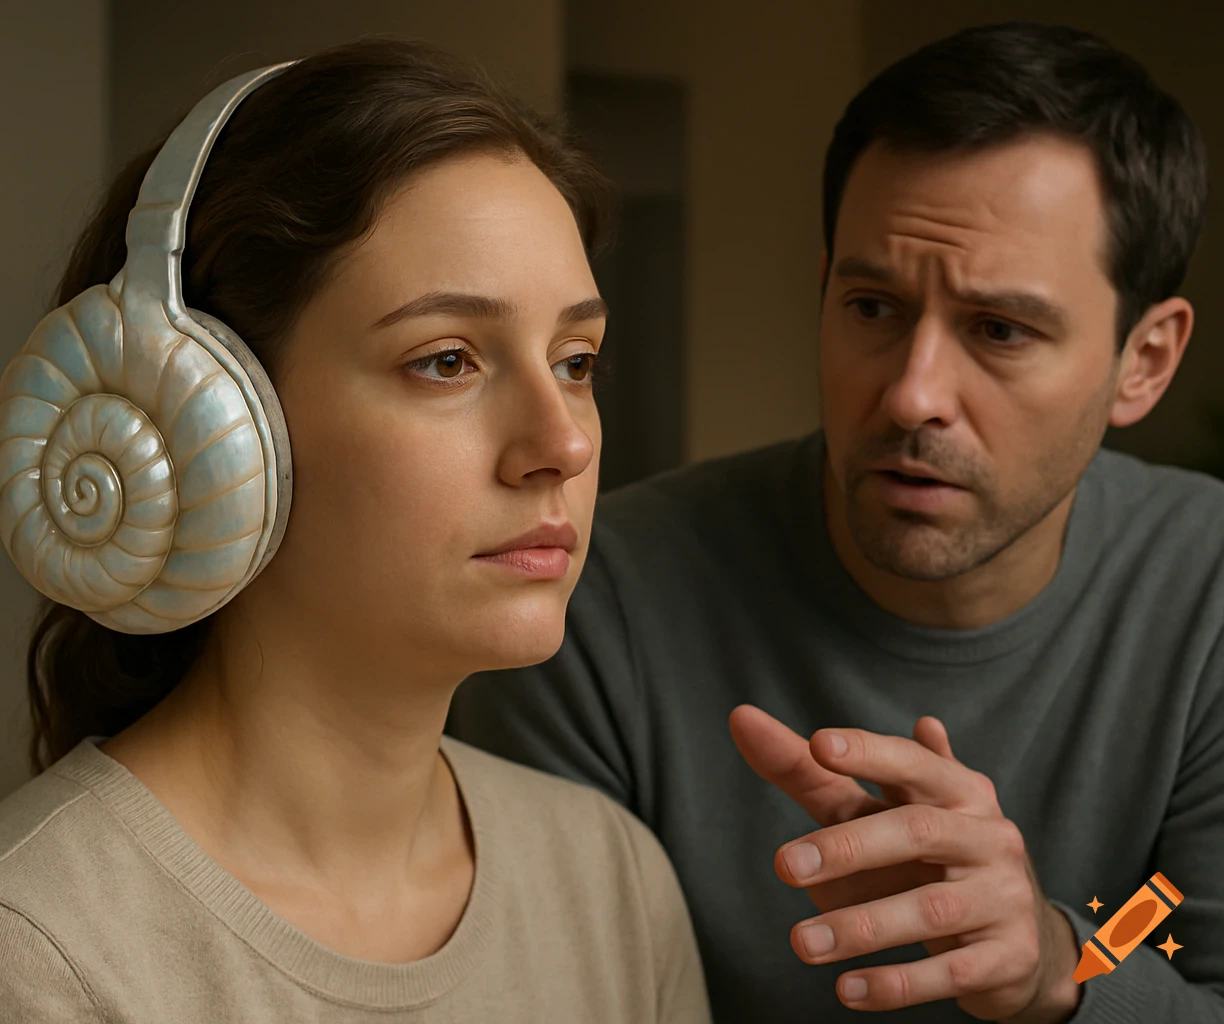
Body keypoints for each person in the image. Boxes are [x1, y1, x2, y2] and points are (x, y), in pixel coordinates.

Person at [0, 39, 710, 1024]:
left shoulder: (612, 876)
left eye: (575, 360)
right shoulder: (14, 953)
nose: (562, 443)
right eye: (446, 360)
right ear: (199, 409)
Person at [450, 21, 1224, 1024]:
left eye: (1000, 330)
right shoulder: (593, 606)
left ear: (1144, 362)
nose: (913, 395)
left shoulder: (1207, 596)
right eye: (872, 308)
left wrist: (1062, 967)